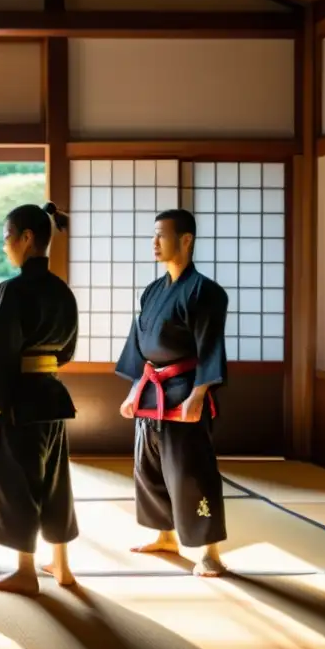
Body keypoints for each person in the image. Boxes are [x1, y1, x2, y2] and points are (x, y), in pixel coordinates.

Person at [0, 202, 79, 596]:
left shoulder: (11, 291)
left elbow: (2, 351)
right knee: (54, 482)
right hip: (52, 396)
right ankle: (61, 567)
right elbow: (66, 353)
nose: (5, 247)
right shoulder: (63, 292)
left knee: (18, 482)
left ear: (27, 238)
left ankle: (26, 571)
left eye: (7, 238)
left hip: (20, 401)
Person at [116, 208, 229, 577]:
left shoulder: (205, 292)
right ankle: (165, 535)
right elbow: (140, 347)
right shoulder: (152, 291)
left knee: (191, 472)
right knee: (149, 469)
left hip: (184, 391)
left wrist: (198, 395)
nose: (154, 241)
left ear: (185, 240)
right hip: (152, 392)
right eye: (153, 234)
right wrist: (135, 390)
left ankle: (210, 550)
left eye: (161, 235)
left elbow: (210, 348)